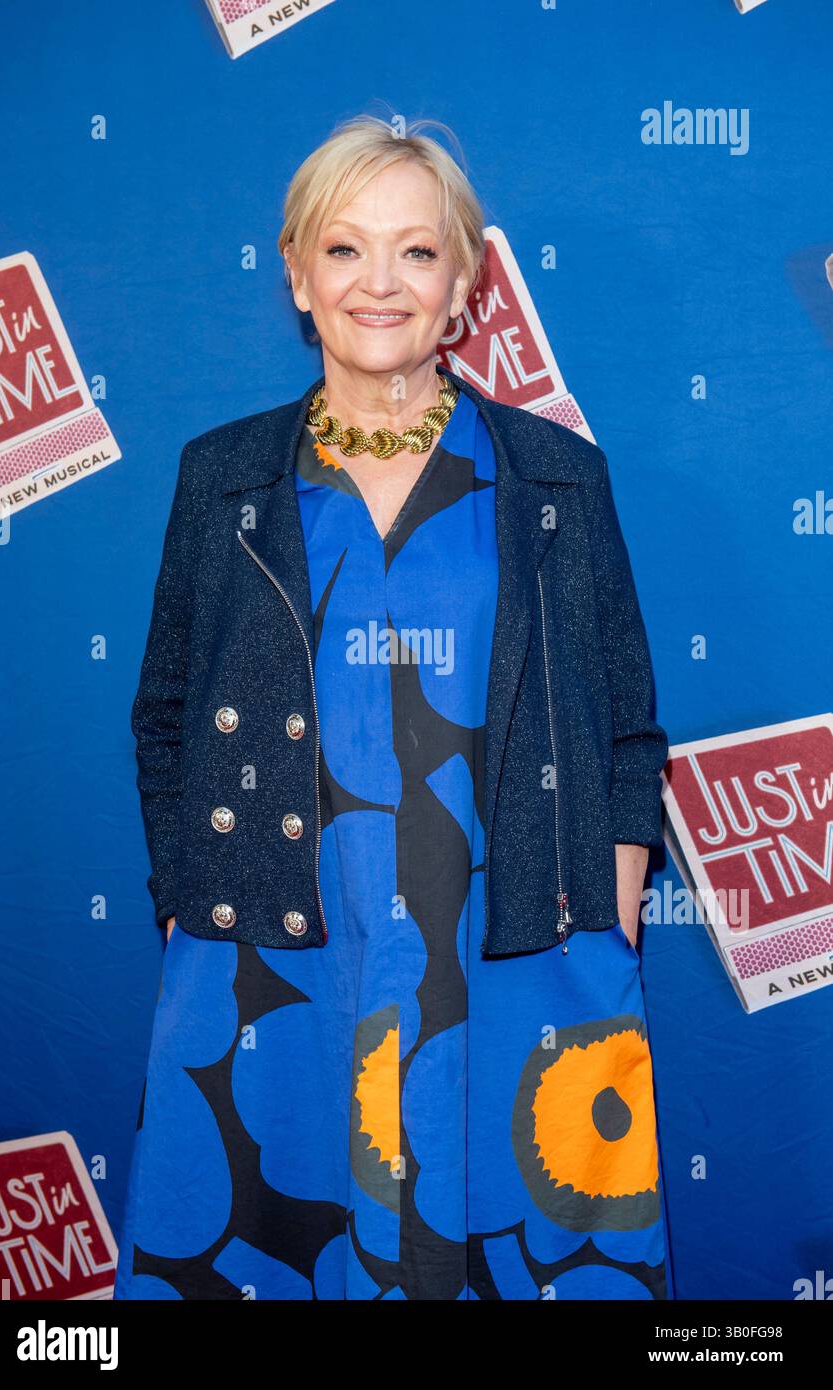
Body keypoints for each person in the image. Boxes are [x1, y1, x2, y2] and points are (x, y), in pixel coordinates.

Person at [114, 114, 672, 1301]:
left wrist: (613, 887)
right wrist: (183, 899)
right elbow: (166, 709)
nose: (380, 284)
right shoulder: (222, 476)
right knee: (280, 1242)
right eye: (345, 250)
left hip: (517, 936)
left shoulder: (556, 475)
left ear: (464, 282)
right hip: (277, 949)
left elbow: (623, 711)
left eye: (417, 254)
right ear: (297, 273)